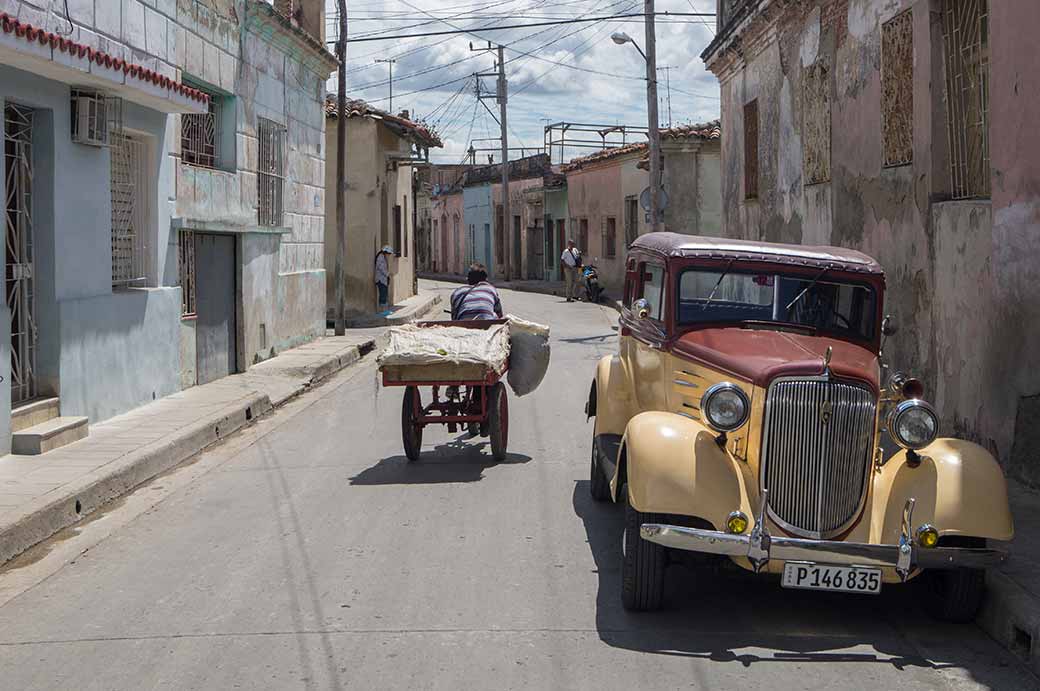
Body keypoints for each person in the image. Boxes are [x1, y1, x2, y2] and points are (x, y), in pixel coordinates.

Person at [375, 245, 393, 315]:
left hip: (383, 279)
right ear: (385, 252)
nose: (389, 255)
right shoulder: (380, 257)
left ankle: (384, 310)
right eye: (388, 253)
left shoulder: (383, 257)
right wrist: (388, 274)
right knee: (383, 295)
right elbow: (381, 268)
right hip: (381, 279)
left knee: (384, 294)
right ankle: (382, 311)